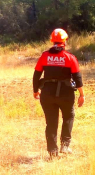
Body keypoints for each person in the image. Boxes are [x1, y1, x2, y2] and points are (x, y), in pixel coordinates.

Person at [33, 28, 85, 159]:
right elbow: (78, 78)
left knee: (51, 122)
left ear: (52, 41)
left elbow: (36, 75)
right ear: (65, 41)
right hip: (66, 94)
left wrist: (35, 90)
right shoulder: (70, 58)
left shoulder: (44, 56)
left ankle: (52, 151)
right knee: (68, 116)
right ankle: (65, 145)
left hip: (47, 94)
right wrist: (82, 95)